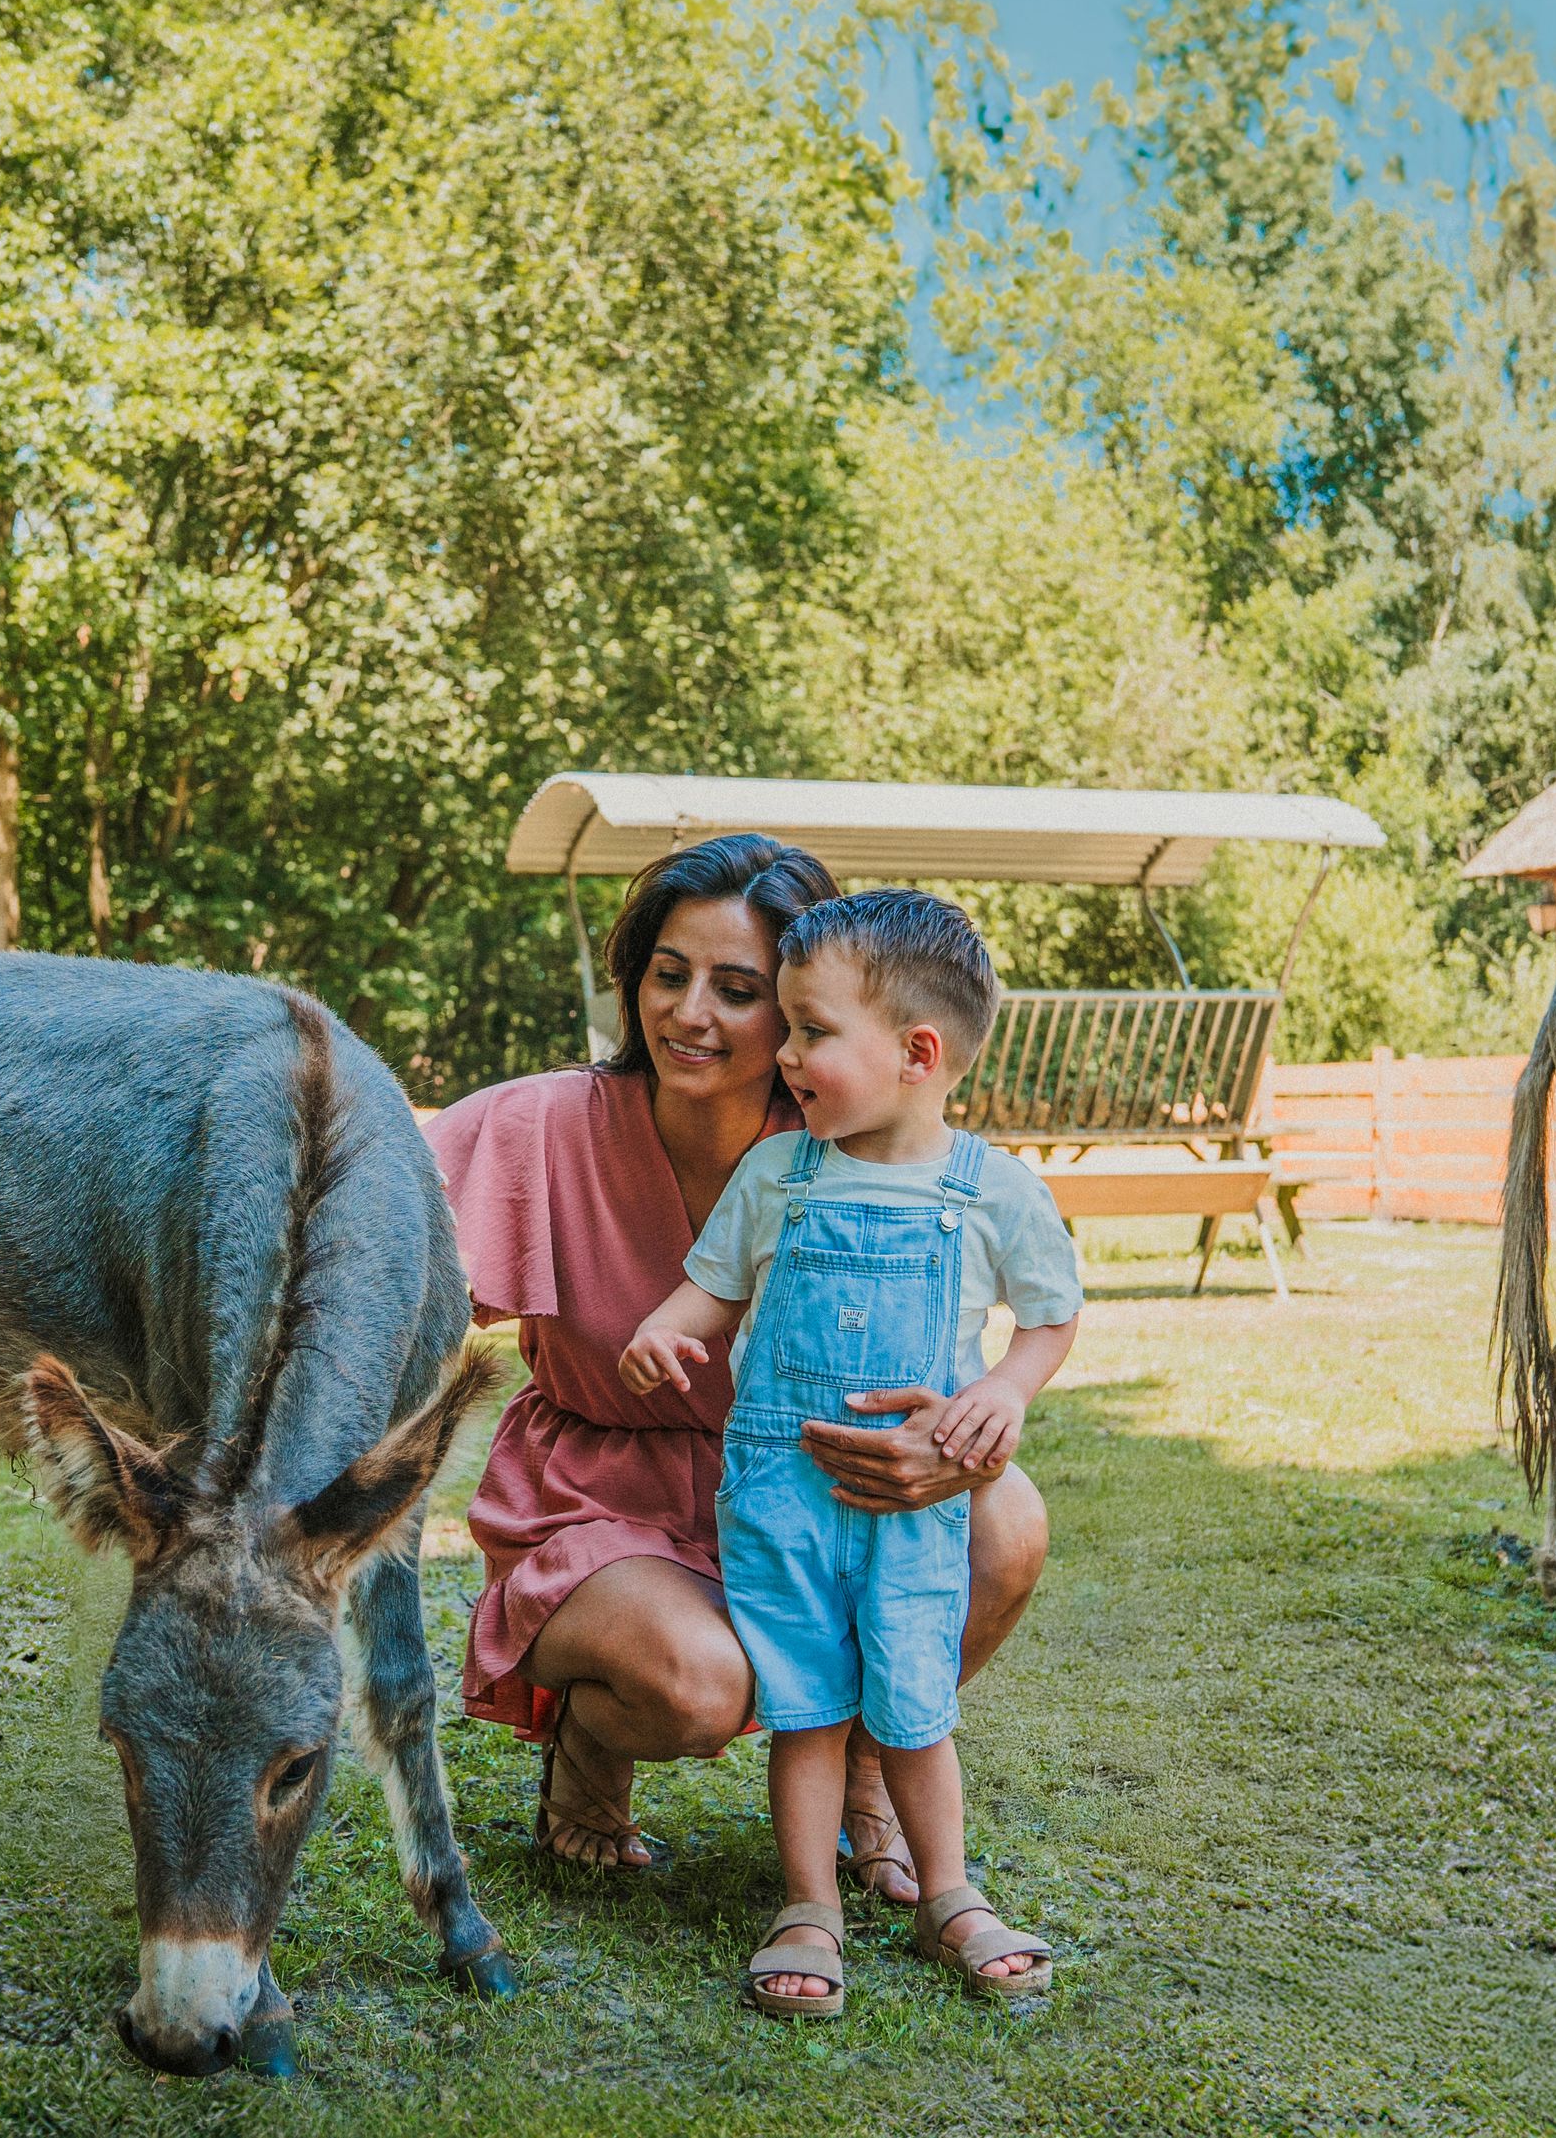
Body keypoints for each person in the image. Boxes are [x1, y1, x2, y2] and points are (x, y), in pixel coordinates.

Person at [426, 835, 1049, 1897]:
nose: (690, 1014)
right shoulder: (539, 1123)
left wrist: (955, 1433)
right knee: (700, 1685)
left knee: (1010, 1518)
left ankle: (868, 1772)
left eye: (737, 988)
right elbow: (389, 1288)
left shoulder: (859, 1151)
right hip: (597, 1492)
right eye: (668, 974)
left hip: (799, 1472)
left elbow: (972, 1321)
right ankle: (586, 1754)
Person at [620, 888, 1073, 2014]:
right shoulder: (780, 1176)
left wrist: (1009, 1388)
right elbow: (710, 1288)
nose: (784, 1049)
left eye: (811, 1029)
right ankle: (809, 1899)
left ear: (919, 1052)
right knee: (810, 1705)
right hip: (785, 1499)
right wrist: (661, 1333)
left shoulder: (991, 1188)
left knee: (916, 1702)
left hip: (916, 1511)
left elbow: (1051, 1313)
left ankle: (951, 1893)